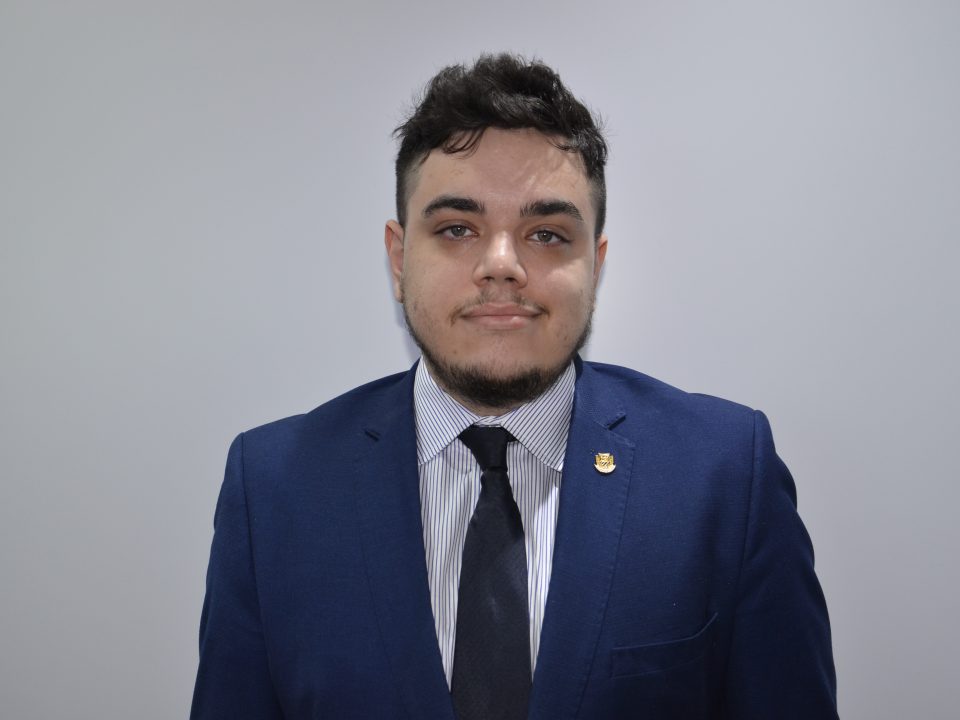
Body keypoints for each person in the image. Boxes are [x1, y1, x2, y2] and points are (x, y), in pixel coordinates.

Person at [190, 54, 838, 719]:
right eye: (457, 229)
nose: (501, 265)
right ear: (399, 258)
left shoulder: (724, 477)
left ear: (595, 267)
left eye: (547, 234)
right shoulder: (274, 490)